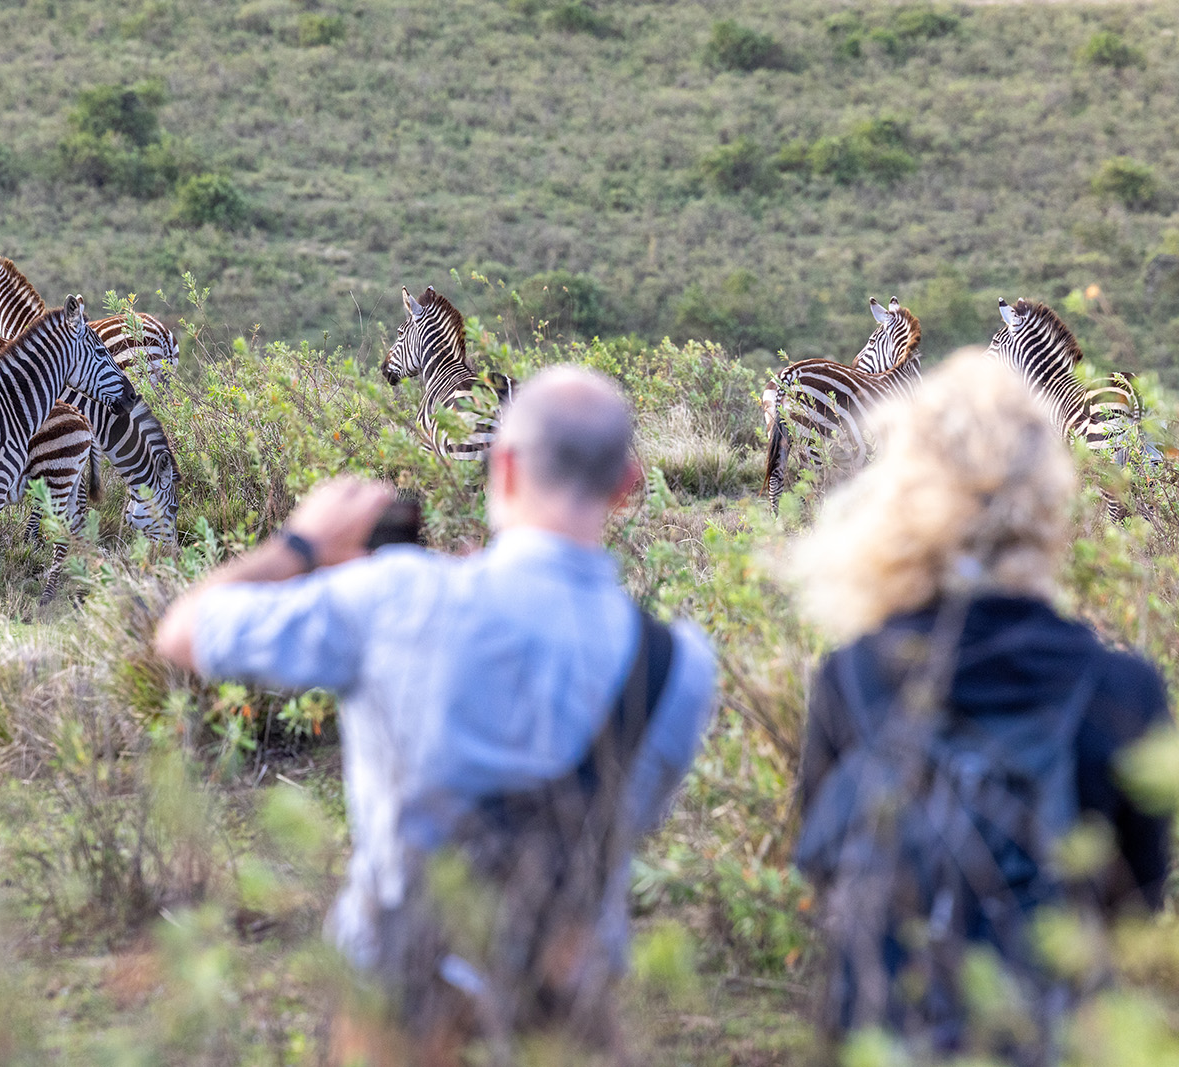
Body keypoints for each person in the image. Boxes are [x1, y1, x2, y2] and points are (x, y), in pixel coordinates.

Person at [154, 365, 718, 1059]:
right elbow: (622, 821)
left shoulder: (398, 597)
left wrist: (299, 544)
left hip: (397, 1004)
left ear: (503, 466)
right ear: (627, 485)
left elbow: (183, 631)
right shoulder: (684, 665)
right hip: (561, 1017)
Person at [789, 351, 1172, 1064]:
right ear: (1052, 495)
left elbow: (823, 870)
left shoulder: (852, 675)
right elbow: (1138, 914)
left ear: (909, 491)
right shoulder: (1126, 691)